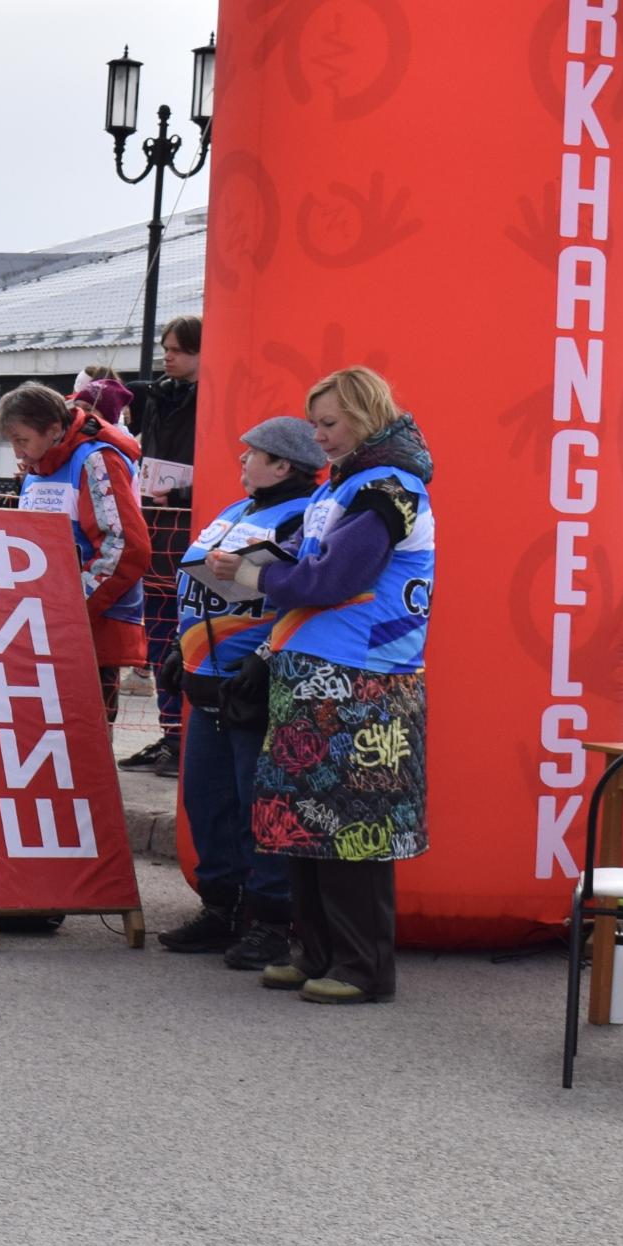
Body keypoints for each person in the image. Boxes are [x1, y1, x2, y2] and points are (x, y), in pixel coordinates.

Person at [216, 366, 434, 1006]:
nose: (320, 437)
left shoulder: (389, 488)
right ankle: (313, 950)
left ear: (368, 417)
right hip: (314, 670)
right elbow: (311, 569)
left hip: (366, 677)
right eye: (315, 424)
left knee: (356, 824)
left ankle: (363, 966)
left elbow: (331, 579)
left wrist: (251, 578)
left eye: (331, 424)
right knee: (304, 816)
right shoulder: (345, 484)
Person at [162, 415, 322, 970]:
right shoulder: (238, 511)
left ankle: (272, 921)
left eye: (251, 454)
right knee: (208, 802)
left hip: (255, 682)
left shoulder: (304, 515)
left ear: (283, 464)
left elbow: (305, 599)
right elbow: (202, 588)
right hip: (207, 678)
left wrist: (264, 658)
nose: (241, 461)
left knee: (263, 804)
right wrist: (176, 649)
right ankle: (220, 908)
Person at [0, 381, 152, 711]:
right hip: (41, 621)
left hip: (89, 626)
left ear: (53, 429)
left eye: (22, 440)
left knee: (84, 734)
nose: (18, 452)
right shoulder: (39, 464)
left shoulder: (97, 461)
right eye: (13, 442)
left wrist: (71, 608)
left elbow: (124, 547)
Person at [123, 317, 202, 776]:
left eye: (177, 349)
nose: (167, 356)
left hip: (191, 527)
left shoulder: (215, 398)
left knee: (185, 638)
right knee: (158, 638)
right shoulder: (159, 397)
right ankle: (171, 732)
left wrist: (184, 495)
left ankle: (187, 737)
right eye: (165, 348)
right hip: (157, 528)